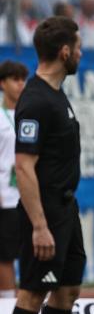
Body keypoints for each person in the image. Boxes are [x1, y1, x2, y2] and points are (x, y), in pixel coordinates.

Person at [9, 17, 94, 314]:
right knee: (31, 294)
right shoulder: (36, 99)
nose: (80, 52)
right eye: (77, 47)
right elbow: (23, 166)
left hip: (65, 208)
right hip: (43, 215)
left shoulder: (56, 94)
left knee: (67, 290)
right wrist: (39, 226)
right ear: (64, 51)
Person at [0, 61, 27, 299]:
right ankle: (7, 303)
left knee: (31, 253)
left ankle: (27, 303)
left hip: (28, 197)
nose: (20, 84)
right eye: (14, 79)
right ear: (2, 83)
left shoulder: (28, 116)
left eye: (22, 79)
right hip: (6, 198)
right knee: (5, 255)